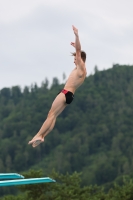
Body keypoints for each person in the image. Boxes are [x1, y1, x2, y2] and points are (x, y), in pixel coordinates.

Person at [28, 25, 87, 147]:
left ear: (80, 59)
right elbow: (78, 51)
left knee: (50, 114)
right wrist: (76, 47)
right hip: (70, 96)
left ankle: (38, 134)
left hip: (65, 93)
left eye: (75, 59)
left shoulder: (81, 67)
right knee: (53, 116)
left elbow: (79, 52)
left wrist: (76, 36)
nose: (74, 61)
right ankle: (43, 136)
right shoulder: (81, 71)